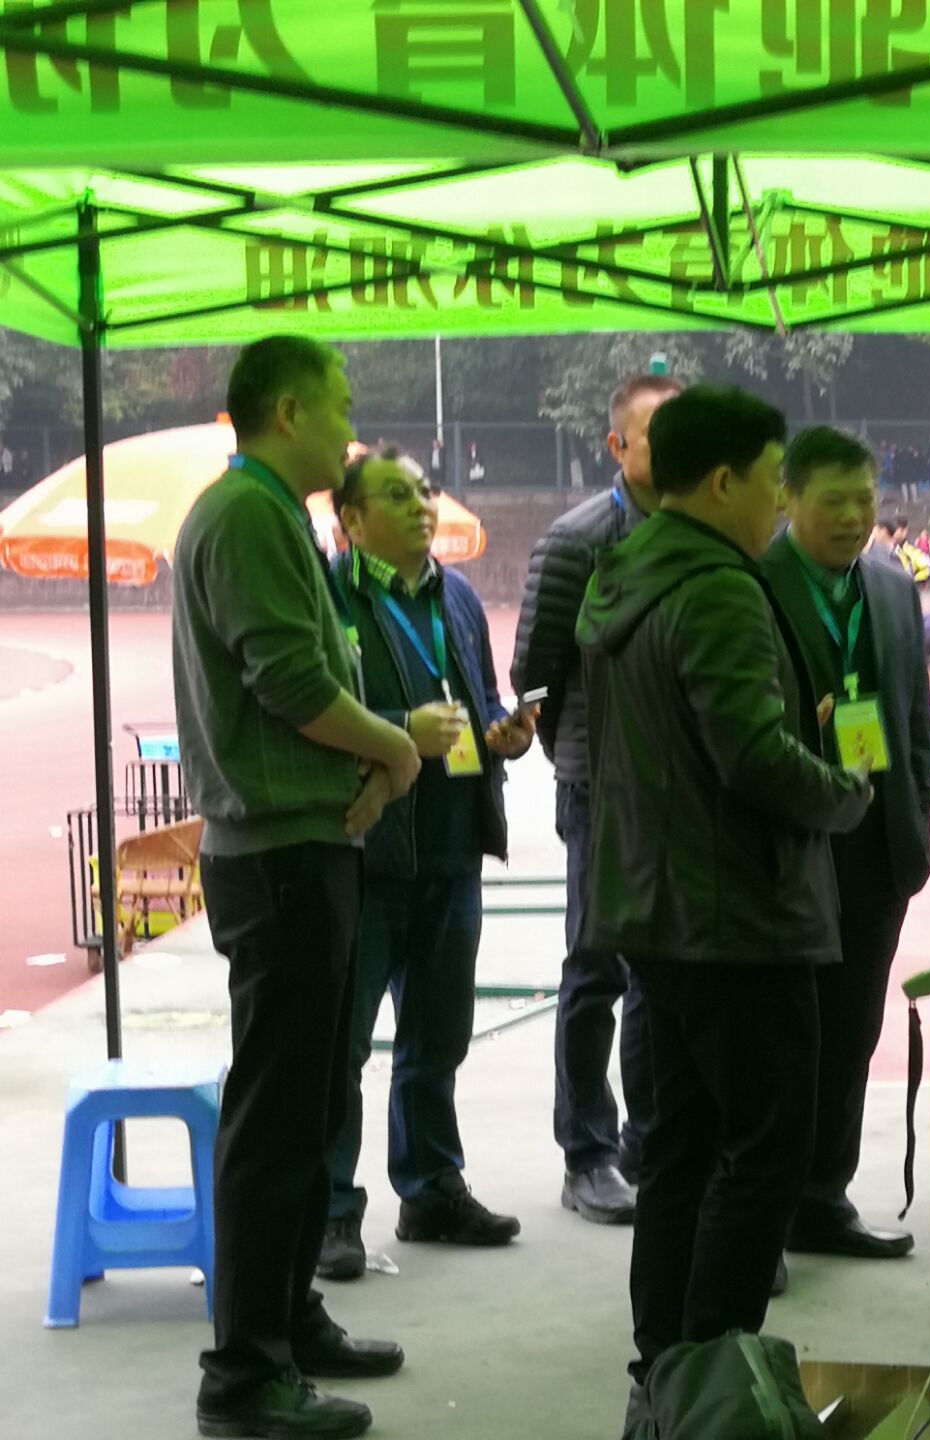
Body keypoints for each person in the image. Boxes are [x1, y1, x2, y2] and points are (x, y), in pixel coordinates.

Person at [573, 385, 873, 1388]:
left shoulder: (629, 571)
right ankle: (713, 1368)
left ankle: (667, 1363)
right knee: (767, 1152)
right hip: (738, 914)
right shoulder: (718, 587)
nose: (780, 501)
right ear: (720, 482)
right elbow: (751, 758)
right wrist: (843, 794)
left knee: (683, 1146)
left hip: (660, 905)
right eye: (773, 480)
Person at [175, 337, 422, 1439]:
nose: (350, 429)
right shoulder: (244, 518)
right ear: (286, 412)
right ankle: (244, 1373)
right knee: (277, 1119)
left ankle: (287, 1320)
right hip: (276, 859)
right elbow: (291, 682)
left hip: (307, 841)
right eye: (340, 406)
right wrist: (395, 751)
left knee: (312, 1102)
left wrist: (368, 768)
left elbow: (308, 684)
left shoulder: (275, 515)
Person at [314, 448, 534, 1284]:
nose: (421, 507)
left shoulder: (459, 597)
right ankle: (332, 1209)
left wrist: (503, 731)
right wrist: (401, 725)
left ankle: (432, 1186)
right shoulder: (330, 595)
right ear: (352, 520)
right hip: (366, 849)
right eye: (398, 496)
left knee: (438, 1034)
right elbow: (313, 709)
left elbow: (478, 700)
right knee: (341, 1044)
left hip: (451, 846)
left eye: (424, 492)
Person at [512, 373, 684, 1225]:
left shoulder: (701, 533)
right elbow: (534, 675)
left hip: (680, 788)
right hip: (600, 787)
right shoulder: (578, 541)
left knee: (664, 971)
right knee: (595, 966)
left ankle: (649, 1140)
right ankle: (586, 1152)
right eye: (658, 435)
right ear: (617, 446)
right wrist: (577, 754)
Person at [761, 426, 930, 1262]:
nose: (852, 516)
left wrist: (916, 822)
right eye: (832, 500)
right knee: (779, 1041)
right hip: (789, 848)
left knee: (854, 1030)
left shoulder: (893, 586)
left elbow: (914, 716)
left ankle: (823, 1198)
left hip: (876, 848)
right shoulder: (753, 584)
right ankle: (762, 1216)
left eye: (864, 498)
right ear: (788, 497)